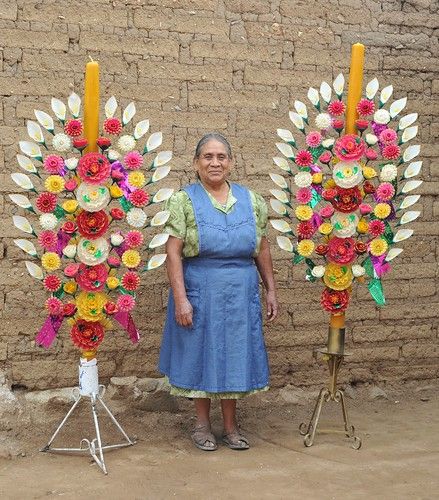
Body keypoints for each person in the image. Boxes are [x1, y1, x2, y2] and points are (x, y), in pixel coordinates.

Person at [159, 133, 278, 451]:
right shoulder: (183, 200)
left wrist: (270, 290)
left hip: (240, 292)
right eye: (208, 157)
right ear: (196, 163)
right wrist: (181, 299)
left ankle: (230, 427)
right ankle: (202, 425)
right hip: (200, 289)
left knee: (235, 354)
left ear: (231, 162)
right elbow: (173, 253)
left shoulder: (252, 201)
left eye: (221, 157)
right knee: (201, 353)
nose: (215, 162)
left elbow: (262, 248)